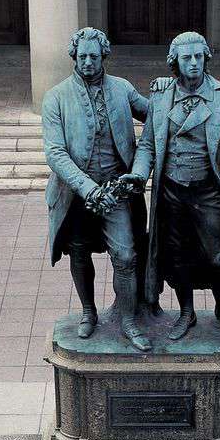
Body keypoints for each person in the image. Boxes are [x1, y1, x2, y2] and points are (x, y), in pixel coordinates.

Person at [125, 31, 220, 344]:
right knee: (178, 255)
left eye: (198, 57)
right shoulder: (161, 97)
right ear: (175, 62)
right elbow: (148, 144)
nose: (193, 63)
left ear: (206, 59)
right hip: (172, 191)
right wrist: (138, 174)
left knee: (217, 255)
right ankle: (186, 312)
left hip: (209, 190)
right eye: (186, 58)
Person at [42, 27, 153, 351]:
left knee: (126, 255)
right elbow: (55, 153)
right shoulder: (56, 97)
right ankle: (88, 312)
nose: (87, 62)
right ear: (74, 57)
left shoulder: (122, 89)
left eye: (93, 56)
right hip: (76, 193)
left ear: (104, 56)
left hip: (117, 191)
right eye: (82, 56)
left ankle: (128, 320)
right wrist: (87, 188)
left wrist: (167, 90)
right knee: (78, 251)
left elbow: (156, 116)